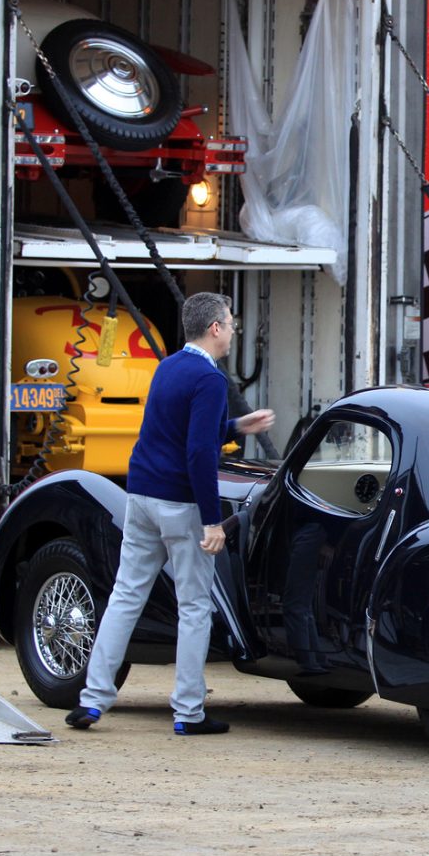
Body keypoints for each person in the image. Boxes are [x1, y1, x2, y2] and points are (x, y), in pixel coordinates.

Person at [66, 292, 275, 736]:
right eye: (231, 322)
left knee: (125, 597)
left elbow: (176, 430)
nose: (234, 329)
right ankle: (188, 712)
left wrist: (238, 426)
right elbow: (199, 451)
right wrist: (212, 520)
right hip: (179, 504)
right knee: (195, 606)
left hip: (140, 495)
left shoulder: (169, 367)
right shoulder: (210, 380)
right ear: (215, 328)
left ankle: (92, 701)